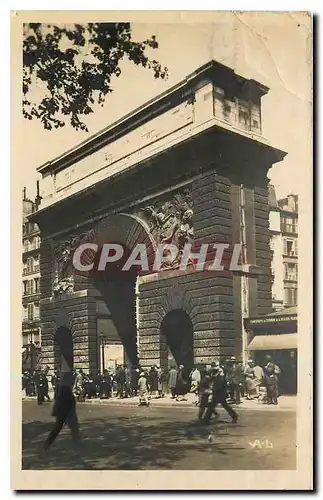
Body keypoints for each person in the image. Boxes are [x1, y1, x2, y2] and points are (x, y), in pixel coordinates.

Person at [44, 372, 80, 451]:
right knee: (72, 428)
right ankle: (77, 445)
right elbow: (62, 401)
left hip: (65, 412)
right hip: (65, 412)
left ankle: (47, 444)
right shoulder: (64, 389)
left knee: (61, 428)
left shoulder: (63, 388)